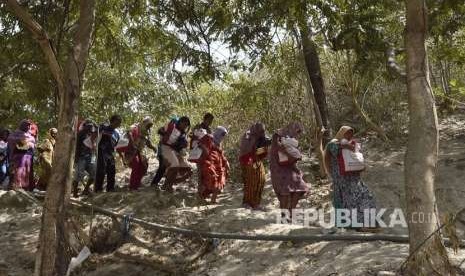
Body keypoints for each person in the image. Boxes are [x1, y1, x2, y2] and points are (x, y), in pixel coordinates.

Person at [324, 126, 377, 231]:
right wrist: (346, 146)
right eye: (347, 133)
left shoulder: (351, 144)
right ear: (341, 133)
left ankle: (367, 223)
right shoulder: (333, 144)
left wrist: (351, 147)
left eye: (350, 134)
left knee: (365, 197)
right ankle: (353, 225)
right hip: (342, 180)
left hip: (354, 179)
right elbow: (335, 151)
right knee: (349, 201)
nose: (349, 136)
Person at [270, 123, 309, 216]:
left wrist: (295, 160)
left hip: (290, 167)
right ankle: (284, 215)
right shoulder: (278, 134)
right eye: (297, 132)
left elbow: (293, 153)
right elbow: (278, 148)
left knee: (300, 187)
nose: (297, 134)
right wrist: (289, 155)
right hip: (278, 168)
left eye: (299, 133)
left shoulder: (292, 139)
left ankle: (291, 211)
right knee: (285, 192)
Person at [239, 122, 270, 210]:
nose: (262, 133)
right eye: (260, 131)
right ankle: (247, 202)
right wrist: (255, 141)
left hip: (257, 160)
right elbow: (246, 150)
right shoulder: (248, 136)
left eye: (263, 131)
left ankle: (256, 203)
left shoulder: (262, 136)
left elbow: (261, 151)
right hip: (247, 160)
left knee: (261, 179)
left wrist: (265, 147)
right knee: (251, 181)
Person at [159, 116, 192, 192]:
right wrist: (164, 133)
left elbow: (183, 144)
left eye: (186, 125)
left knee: (186, 168)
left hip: (174, 150)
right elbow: (160, 131)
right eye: (184, 124)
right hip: (165, 147)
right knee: (175, 165)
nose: (185, 126)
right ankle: (165, 185)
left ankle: (169, 185)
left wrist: (182, 144)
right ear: (180, 122)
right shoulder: (170, 126)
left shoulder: (183, 133)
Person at [198, 126, 229, 204]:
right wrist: (206, 151)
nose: (222, 137)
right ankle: (200, 198)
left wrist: (226, 162)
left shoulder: (219, 143)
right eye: (222, 134)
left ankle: (213, 200)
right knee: (209, 179)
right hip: (208, 163)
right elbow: (200, 144)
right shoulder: (208, 137)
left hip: (218, 164)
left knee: (219, 179)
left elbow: (221, 154)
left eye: (224, 135)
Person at [126, 116, 157, 191]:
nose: (149, 126)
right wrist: (133, 143)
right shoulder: (135, 127)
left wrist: (153, 148)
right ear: (144, 122)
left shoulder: (147, 132)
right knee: (136, 166)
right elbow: (129, 132)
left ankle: (137, 183)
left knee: (144, 167)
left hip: (139, 151)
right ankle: (132, 186)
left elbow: (147, 143)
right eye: (148, 124)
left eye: (150, 125)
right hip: (131, 150)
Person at [95, 115, 122, 193]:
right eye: (117, 121)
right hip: (102, 151)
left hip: (110, 153)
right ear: (112, 121)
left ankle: (110, 188)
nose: (118, 124)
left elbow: (117, 145)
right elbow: (95, 134)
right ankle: (98, 189)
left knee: (112, 170)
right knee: (101, 170)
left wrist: (120, 155)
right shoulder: (103, 128)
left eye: (120, 122)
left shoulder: (117, 134)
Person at [7, 120, 36, 190]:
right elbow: (10, 139)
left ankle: (26, 187)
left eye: (29, 125)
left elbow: (33, 141)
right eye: (27, 125)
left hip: (28, 156)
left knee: (27, 172)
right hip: (19, 156)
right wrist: (20, 140)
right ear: (22, 125)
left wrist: (28, 141)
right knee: (19, 171)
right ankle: (17, 187)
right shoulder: (16, 133)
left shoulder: (30, 135)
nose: (28, 127)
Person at [73, 120, 98, 197]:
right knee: (78, 175)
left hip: (90, 157)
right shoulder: (80, 133)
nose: (90, 127)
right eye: (89, 126)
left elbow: (94, 147)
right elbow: (76, 146)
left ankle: (86, 190)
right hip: (81, 157)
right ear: (85, 126)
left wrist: (94, 158)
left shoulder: (92, 134)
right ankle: (74, 192)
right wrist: (76, 158)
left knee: (94, 173)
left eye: (91, 126)